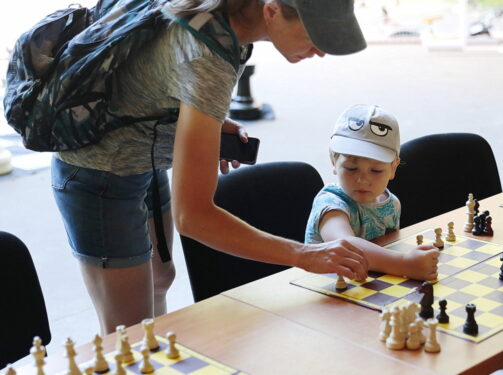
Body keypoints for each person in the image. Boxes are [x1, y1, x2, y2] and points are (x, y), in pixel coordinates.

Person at [51, 0, 371, 334]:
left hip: (143, 154)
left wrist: (205, 120)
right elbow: (193, 217)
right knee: (130, 334)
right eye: (316, 37)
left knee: (160, 278)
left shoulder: (227, 20)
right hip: (98, 173)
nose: (320, 51)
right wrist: (305, 254)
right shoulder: (208, 56)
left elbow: (157, 68)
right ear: (272, 10)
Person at [304, 104, 439, 281]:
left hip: (368, 286)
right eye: (351, 168)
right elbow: (345, 245)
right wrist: (405, 263)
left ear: (393, 168)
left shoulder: (391, 203)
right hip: (324, 292)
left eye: (376, 170)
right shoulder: (330, 203)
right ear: (333, 161)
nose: (362, 180)